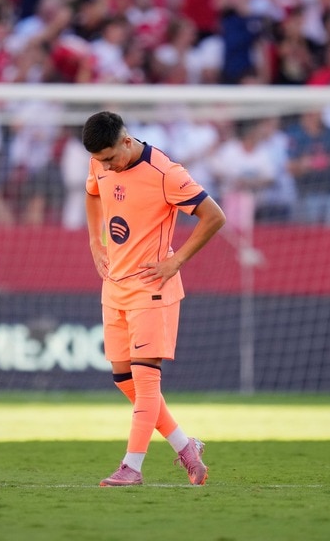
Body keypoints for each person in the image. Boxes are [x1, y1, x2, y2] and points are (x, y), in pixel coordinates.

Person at [82, 111, 225, 486]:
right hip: (114, 286)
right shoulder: (100, 162)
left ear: (126, 142)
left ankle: (132, 467)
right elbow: (92, 192)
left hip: (152, 288)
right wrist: (95, 241)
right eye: (101, 161)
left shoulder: (166, 174)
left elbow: (214, 216)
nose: (106, 166)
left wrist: (176, 261)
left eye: (111, 158)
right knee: (123, 379)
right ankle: (185, 446)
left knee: (146, 384)